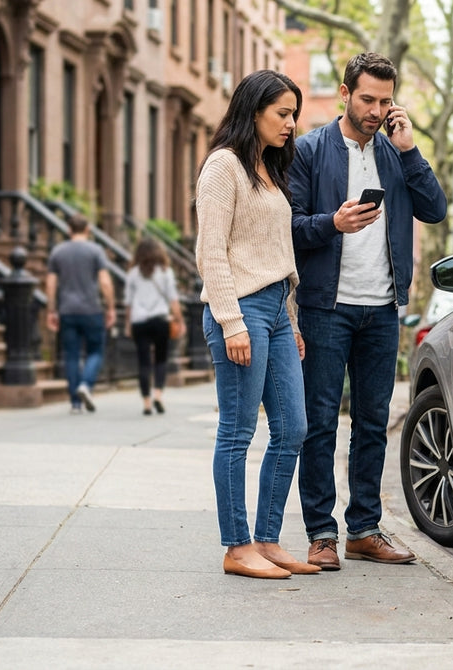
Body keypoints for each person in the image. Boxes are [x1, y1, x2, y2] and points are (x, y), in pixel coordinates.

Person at [288, 52, 448, 570]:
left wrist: (410, 150)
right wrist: (331, 223)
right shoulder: (310, 149)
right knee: (319, 424)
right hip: (326, 307)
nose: (377, 110)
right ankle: (320, 534)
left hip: (383, 309)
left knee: (374, 423)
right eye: (368, 99)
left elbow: (435, 210)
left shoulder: (397, 153)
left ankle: (363, 528)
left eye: (386, 101)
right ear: (344, 93)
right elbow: (287, 227)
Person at [195, 69, 318, 580]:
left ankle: (267, 539)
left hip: (275, 309)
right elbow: (211, 251)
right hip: (239, 310)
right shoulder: (223, 166)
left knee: (293, 427)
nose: (291, 124)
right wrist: (231, 321)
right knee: (238, 431)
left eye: (294, 114)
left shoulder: (270, 170)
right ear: (253, 111)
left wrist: (289, 321)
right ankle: (236, 545)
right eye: (282, 113)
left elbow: (279, 255)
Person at [45, 214, 116, 414]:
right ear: (87, 230)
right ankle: (86, 383)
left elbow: (50, 284)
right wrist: (110, 307)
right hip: (91, 309)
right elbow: (105, 282)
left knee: (71, 355)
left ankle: (75, 403)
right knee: (96, 351)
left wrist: (51, 310)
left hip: (67, 310)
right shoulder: (95, 251)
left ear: (69, 230)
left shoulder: (57, 252)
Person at [123, 237, 184, 416]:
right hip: (160, 320)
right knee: (160, 359)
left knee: (143, 362)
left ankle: (147, 403)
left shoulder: (133, 273)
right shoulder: (166, 272)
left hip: (139, 321)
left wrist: (128, 324)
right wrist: (179, 320)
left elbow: (128, 302)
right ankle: (158, 394)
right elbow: (173, 299)